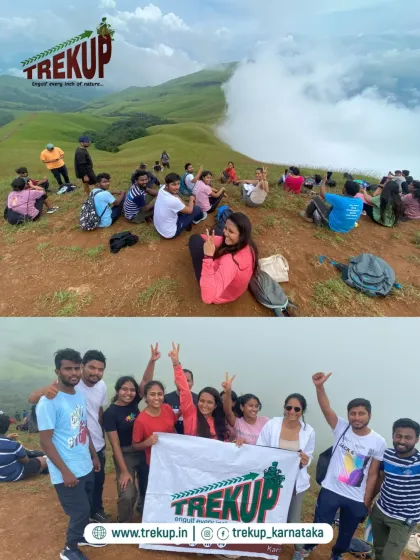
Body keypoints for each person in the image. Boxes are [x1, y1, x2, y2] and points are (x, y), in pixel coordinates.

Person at [303, 372, 387, 560]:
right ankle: (307, 548)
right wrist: (319, 387)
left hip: (356, 497)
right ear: (348, 414)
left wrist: (366, 501)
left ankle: (337, 554)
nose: (357, 417)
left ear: (369, 415)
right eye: (353, 413)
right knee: (319, 525)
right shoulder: (341, 427)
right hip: (331, 489)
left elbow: (373, 474)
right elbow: (326, 408)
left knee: (346, 533)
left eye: (361, 413)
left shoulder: (378, 441)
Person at [36, 349, 104, 560]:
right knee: (80, 511)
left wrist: (93, 455)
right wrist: (64, 472)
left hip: (84, 463)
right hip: (66, 470)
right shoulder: (48, 402)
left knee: (87, 504)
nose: (73, 373)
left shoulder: (79, 396)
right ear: (58, 371)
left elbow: (84, 428)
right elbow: (45, 442)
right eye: (68, 368)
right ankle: (70, 549)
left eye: (76, 368)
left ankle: (83, 535)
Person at [103, 344, 160, 522]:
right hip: (125, 454)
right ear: (117, 390)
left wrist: (151, 361)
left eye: (132, 390)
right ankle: (124, 523)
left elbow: (145, 381)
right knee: (127, 493)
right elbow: (115, 445)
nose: (129, 393)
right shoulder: (110, 414)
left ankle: (145, 512)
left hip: (144, 450)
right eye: (124, 389)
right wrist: (124, 471)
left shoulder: (134, 403)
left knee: (147, 485)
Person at [257, 394, 315, 560]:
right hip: (272, 479)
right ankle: (269, 546)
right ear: (284, 408)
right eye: (289, 407)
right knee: (271, 512)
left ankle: (298, 550)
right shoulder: (272, 425)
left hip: (295, 482)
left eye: (297, 409)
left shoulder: (308, 432)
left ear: (302, 411)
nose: (292, 411)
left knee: (293, 518)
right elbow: (261, 447)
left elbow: (308, 457)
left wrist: (305, 460)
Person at [370, 418, 420, 560]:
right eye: (399, 436)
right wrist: (368, 502)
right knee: (378, 550)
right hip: (380, 510)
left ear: (416, 439)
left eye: (408, 437)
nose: (402, 441)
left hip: (404, 519)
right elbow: (379, 480)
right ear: (393, 436)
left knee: (389, 557)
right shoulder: (386, 455)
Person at [188, 213, 258, 304]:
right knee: (216, 230)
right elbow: (222, 239)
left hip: (219, 295)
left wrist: (208, 256)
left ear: (241, 236)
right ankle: (221, 232)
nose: (225, 232)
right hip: (233, 291)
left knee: (194, 240)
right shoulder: (249, 246)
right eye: (226, 228)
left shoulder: (230, 261)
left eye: (231, 231)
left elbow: (208, 298)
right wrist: (205, 238)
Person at [169, 343, 228, 440]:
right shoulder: (190, 412)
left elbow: (224, 447)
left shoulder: (219, 423)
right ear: (197, 400)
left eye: (209, 402)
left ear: (216, 405)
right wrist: (176, 364)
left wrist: (237, 443)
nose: (204, 405)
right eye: (202, 401)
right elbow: (184, 389)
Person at [132, 378, 177, 498]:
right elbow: (135, 445)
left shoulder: (167, 408)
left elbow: (173, 425)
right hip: (152, 464)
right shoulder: (141, 420)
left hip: (170, 459)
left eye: (160, 394)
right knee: (151, 492)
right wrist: (147, 442)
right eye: (152, 394)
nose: (157, 398)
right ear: (146, 397)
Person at [153, 173, 204, 239]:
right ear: (166, 185)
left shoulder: (162, 189)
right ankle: (197, 219)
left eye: (178, 184)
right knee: (197, 209)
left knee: (181, 209)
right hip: (170, 233)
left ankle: (188, 222)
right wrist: (191, 199)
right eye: (173, 184)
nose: (177, 187)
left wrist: (180, 202)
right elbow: (189, 211)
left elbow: (176, 196)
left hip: (159, 227)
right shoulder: (172, 201)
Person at [0, 410, 47, 482]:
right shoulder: (13, 445)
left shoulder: (9, 443)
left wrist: (7, 438)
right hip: (12, 475)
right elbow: (26, 461)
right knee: (44, 459)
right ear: (7, 427)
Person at [222, 373, 269, 445]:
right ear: (242, 407)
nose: (254, 409)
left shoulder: (265, 421)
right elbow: (228, 412)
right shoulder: (237, 422)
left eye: (256, 406)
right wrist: (228, 391)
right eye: (250, 406)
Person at [164, 368, 198, 434]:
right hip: (171, 437)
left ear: (193, 383)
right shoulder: (166, 398)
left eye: (187, 381)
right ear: (175, 382)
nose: (184, 384)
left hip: (191, 438)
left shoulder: (198, 399)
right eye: (181, 380)